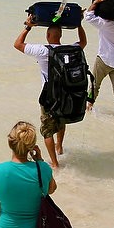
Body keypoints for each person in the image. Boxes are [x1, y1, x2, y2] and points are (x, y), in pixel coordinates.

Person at [13, 14, 87, 169]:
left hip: (50, 96)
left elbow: (18, 44)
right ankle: (59, 147)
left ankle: (54, 163)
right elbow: (83, 42)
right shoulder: (71, 49)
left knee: (47, 130)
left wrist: (28, 26)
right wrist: (79, 24)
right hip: (67, 94)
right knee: (61, 121)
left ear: (47, 35)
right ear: (61, 35)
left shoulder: (42, 50)